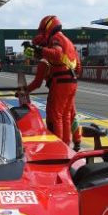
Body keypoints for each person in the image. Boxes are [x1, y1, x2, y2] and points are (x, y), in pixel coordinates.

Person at [26, 15, 80, 151]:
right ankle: (68, 146)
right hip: (72, 81)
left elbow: (55, 53)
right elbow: (79, 66)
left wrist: (39, 50)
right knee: (67, 115)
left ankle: (58, 148)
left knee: (56, 116)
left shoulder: (56, 40)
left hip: (61, 82)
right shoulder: (68, 41)